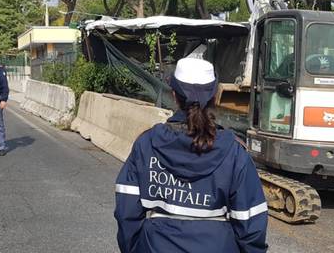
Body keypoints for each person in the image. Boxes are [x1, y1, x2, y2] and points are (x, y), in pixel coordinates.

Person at [114, 58, 268, 253]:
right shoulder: (234, 152)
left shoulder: (146, 144)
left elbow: (126, 212)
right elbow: (251, 223)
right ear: (215, 97)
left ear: (174, 96)